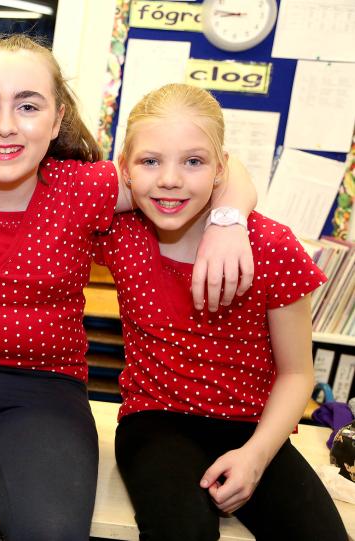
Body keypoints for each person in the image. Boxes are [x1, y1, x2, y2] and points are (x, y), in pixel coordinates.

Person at [0, 35, 257, 541]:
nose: (6, 125)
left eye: (28, 106)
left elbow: (218, 165)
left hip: (46, 390)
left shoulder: (85, 188)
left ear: (56, 120)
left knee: (51, 532)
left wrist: (229, 220)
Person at [95, 83, 348, 540]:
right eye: (150, 161)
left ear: (219, 169)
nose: (170, 179)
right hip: (155, 420)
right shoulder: (120, 233)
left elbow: (297, 374)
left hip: (255, 426)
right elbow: (52, 195)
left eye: (193, 161)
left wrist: (255, 456)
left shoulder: (270, 247)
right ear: (125, 171)